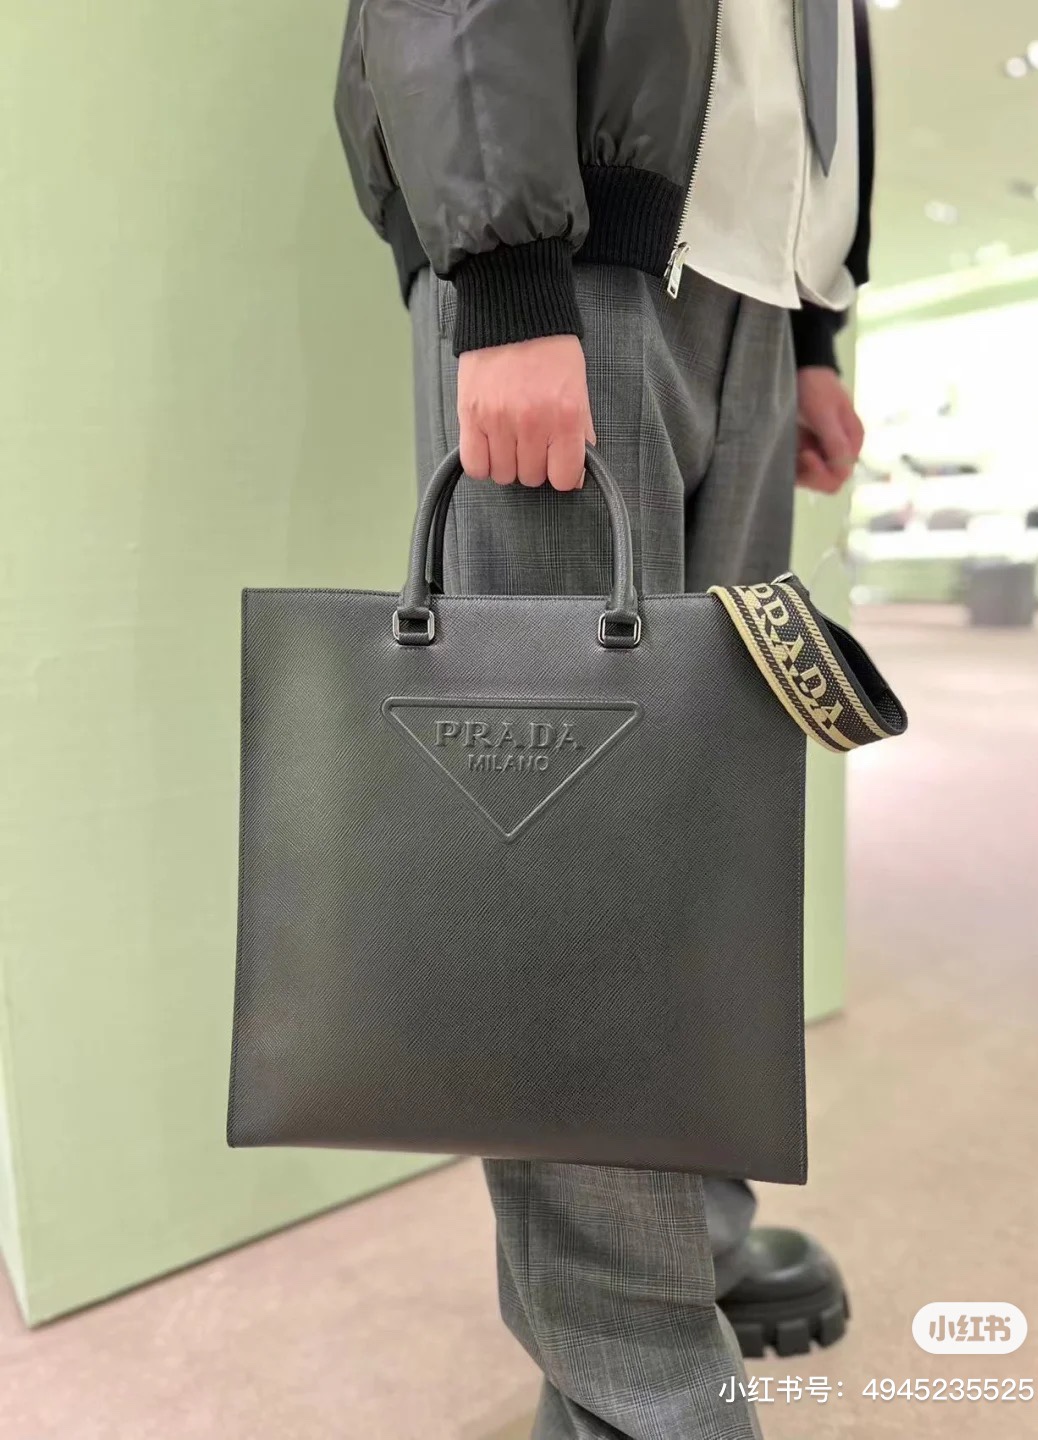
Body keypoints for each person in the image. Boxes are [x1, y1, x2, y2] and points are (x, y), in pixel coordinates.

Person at [336, 2, 873, 1434]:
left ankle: (681, 1238)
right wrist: (507, 269)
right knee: (571, 862)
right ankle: (633, 1385)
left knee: (703, 825)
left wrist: (813, 323)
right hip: (566, 249)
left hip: (753, 281)